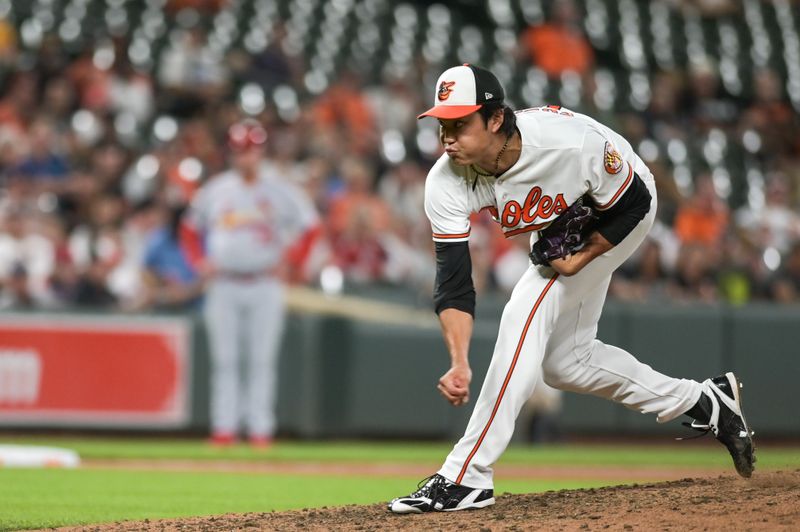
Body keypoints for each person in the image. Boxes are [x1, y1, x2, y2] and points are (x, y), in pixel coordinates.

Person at [388, 64, 755, 514]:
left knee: (522, 313)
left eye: (461, 123)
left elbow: (635, 202)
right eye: (443, 123)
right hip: (562, 222)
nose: (448, 136)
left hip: (620, 204)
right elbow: (454, 285)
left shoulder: (568, 144)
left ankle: (467, 475)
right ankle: (704, 401)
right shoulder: (444, 182)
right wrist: (460, 360)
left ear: (496, 119)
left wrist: (582, 256)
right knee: (566, 365)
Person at [183, 119, 319, 448]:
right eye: (241, 150)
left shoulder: (280, 189)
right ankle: (224, 429)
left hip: (265, 282)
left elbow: (311, 227)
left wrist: (295, 264)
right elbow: (189, 230)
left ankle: (260, 431)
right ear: (232, 153)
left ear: (261, 152)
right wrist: (199, 262)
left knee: (261, 359)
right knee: (226, 360)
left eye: (252, 150)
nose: (246, 157)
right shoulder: (216, 189)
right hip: (224, 283)